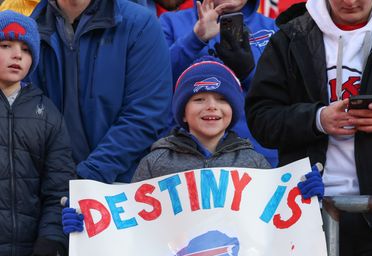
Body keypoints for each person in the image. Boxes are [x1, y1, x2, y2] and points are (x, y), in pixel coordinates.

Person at [62, 57, 324, 233]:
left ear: (233, 109)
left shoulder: (254, 162)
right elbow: (129, 228)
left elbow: (274, 225)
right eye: (199, 99)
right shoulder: (155, 163)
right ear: (182, 112)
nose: (211, 106)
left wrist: (302, 196)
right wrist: (88, 224)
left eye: (222, 99)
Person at [245, 0, 372, 256]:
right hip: (308, 207)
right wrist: (317, 119)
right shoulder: (291, 36)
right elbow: (261, 118)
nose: (350, 2)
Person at [30, 0, 172, 184]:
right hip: (51, 190)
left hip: (123, 191)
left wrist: (91, 174)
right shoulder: (29, 33)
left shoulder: (139, 24)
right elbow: (26, 120)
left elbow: (147, 113)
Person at [0, 11, 75, 256]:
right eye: (5, 46)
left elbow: (58, 191)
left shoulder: (48, 114)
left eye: (25, 49)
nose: (16, 55)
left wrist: (47, 255)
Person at [159, 0, 279, 166]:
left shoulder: (274, 28)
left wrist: (249, 74)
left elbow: (286, 97)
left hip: (258, 160)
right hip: (183, 160)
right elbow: (154, 82)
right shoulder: (170, 23)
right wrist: (195, 40)